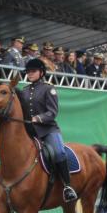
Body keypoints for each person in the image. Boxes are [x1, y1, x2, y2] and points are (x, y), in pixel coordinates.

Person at [19, 58, 77, 203]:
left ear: (41, 72)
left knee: (58, 152)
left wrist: (37, 119)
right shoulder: (24, 91)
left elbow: (52, 112)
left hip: (48, 130)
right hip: (30, 131)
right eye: (28, 72)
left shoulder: (48, 88)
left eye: (33, 71)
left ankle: (67, 187)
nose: (30, 74)